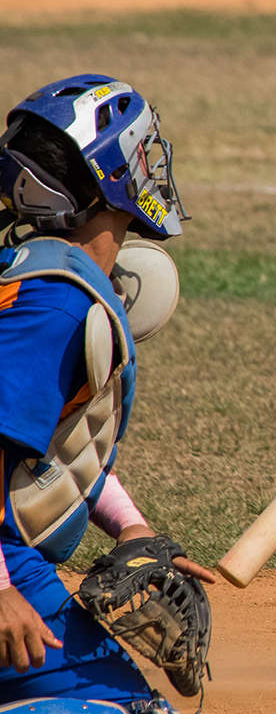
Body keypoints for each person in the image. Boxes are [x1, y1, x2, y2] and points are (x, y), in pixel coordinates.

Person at [0, 76, 215, 708]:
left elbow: (58, 448)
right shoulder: (57, 306)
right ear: (111, 176)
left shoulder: (50, 279)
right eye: (143, 151)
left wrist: (132, 530)